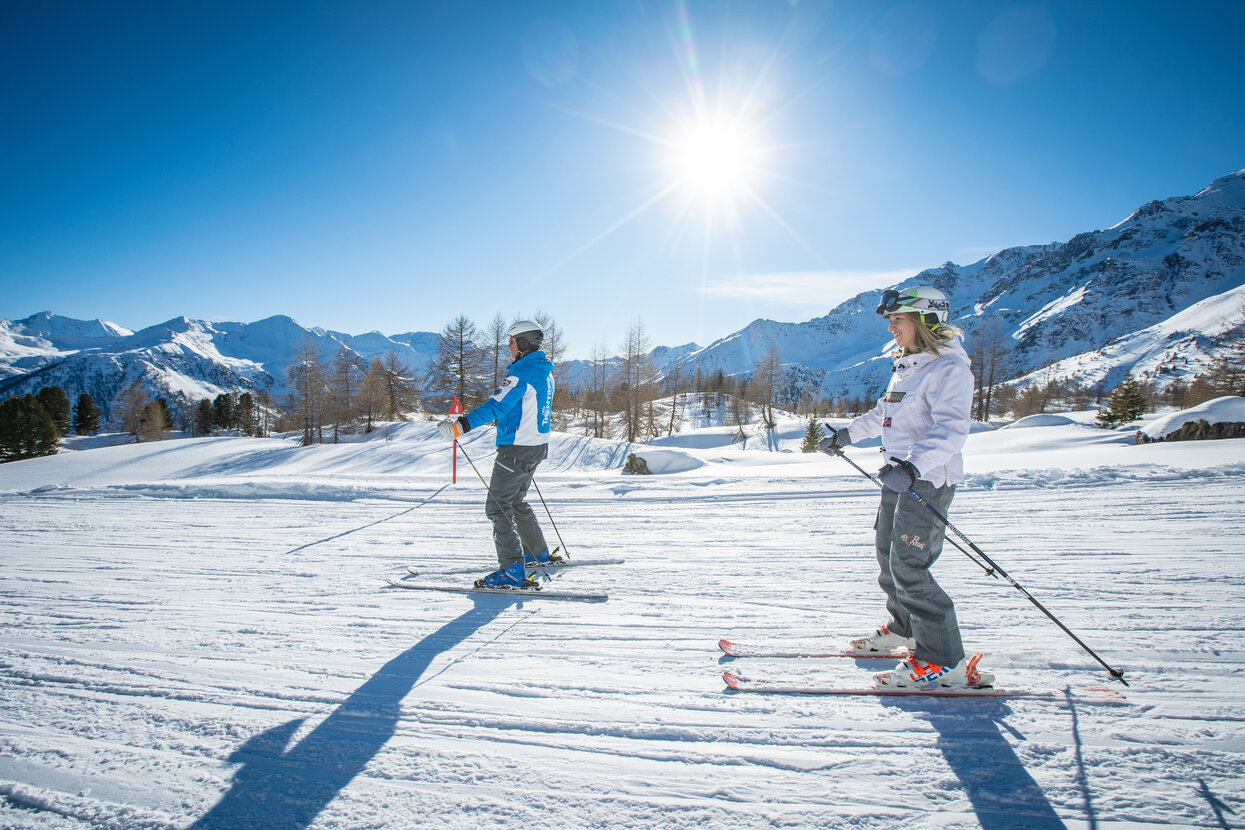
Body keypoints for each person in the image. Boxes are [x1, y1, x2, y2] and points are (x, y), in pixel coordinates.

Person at [818, 286, 994, 689]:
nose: (892, 328)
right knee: (887, 553)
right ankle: (904, 629)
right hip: (898, 476)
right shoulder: (909, 366)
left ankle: (943, 662)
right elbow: (884, 413)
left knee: (909, 567)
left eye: (898, 320)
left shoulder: (950, 369)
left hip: (926, 479)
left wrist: (913, 468)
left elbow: (952, 429)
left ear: (924, 320)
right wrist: (845, 436)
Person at [436, 320, 559, 588]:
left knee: (497, 506)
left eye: (512, 340)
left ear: (523, 343)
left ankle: (513, 570)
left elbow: (496, 406)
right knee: (516, 501)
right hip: (537, 447)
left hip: (516, 449)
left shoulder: (521, 374)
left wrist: (460, 427)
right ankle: (537, 553)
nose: (508, 345)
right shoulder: (544, 372)